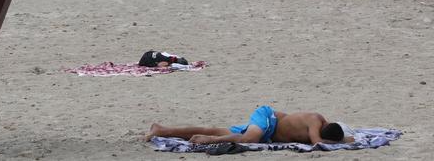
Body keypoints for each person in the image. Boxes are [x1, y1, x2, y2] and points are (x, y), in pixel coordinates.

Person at [148, 106, 355, 146]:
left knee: (214, 128)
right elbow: (318, 143)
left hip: (269, 133)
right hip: (268, 118)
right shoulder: (315, 119)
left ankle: (162, 130)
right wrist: (343, 141)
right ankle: (210, 141)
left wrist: (342, 139)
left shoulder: (322, 126)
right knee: (249, 139)